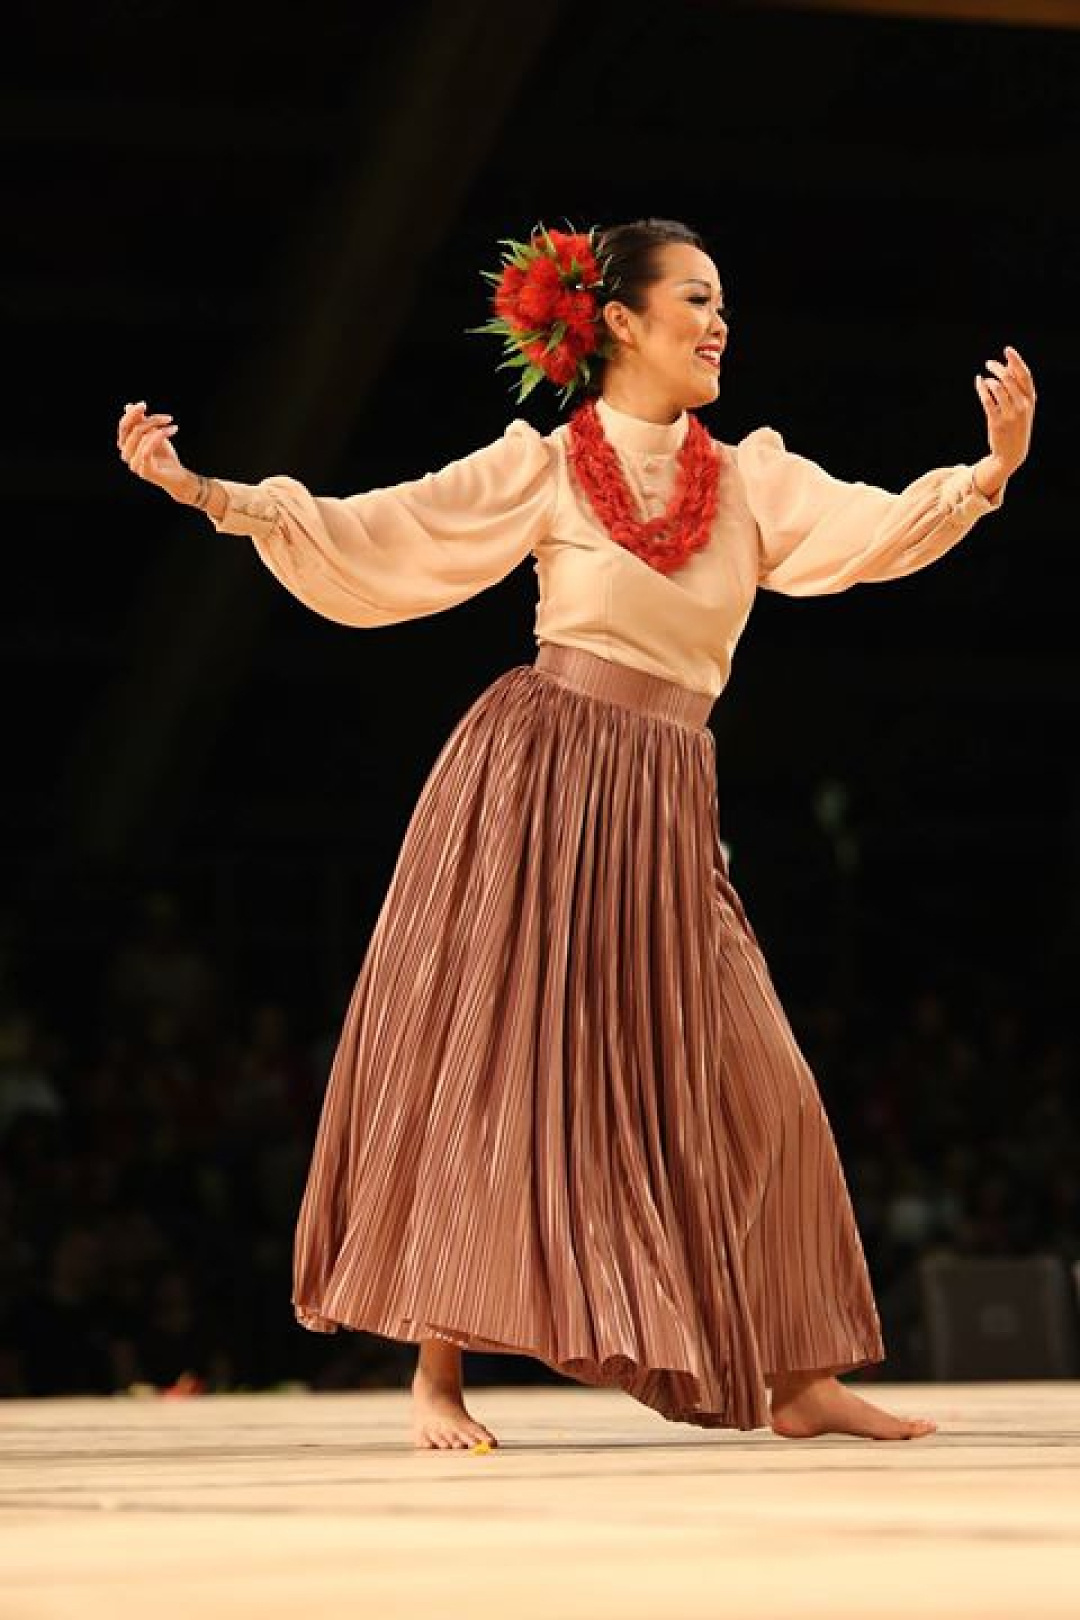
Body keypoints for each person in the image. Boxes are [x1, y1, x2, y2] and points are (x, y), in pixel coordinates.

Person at [116, 217, 1036, 1450]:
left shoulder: (749, 479)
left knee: (767, 1087)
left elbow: (866, 531)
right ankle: (436, 1375)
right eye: (695, 300)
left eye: (722, 302)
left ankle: (800, 1378)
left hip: (667, 801)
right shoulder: (545, 466)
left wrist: (986, 473)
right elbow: (389, 529)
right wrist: (207, 493)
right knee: (494, 1063)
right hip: (540, 779)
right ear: (619, 322)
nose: (719, 323)